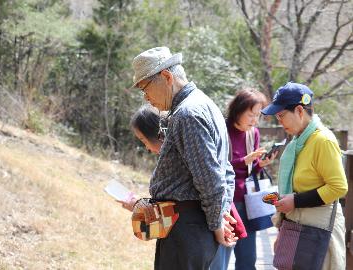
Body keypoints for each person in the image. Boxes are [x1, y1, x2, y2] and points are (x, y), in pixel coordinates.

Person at [130, 47, 236, 270]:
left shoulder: (187, 114)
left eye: (145, 88)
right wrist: (221, 215)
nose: (146, 98)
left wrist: (217, 224)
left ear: (166, 77)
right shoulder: (205, 104)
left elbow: (211, 180)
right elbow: (226, 171)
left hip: (188, 230)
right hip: (193, 228)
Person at [261, 82, 348, 270]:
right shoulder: (298, 142)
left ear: (299, 110)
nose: (279, 121)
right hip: (296, 229)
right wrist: (281, 231)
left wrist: (296, 201)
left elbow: (338, 187)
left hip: (319, 232)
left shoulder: (323, 140)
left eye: (282, 115)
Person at [211, 88, 277, 270]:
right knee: (221, 257)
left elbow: (249, 170)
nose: (255, 120)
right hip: (226, 202)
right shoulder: (221, 129)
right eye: (250, 115)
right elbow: (214, 167)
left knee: (248, 258)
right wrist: (244, 160)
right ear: (237, 110)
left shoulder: (253, 133)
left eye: (257, 115)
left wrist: (260, 164)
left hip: (248, 202)